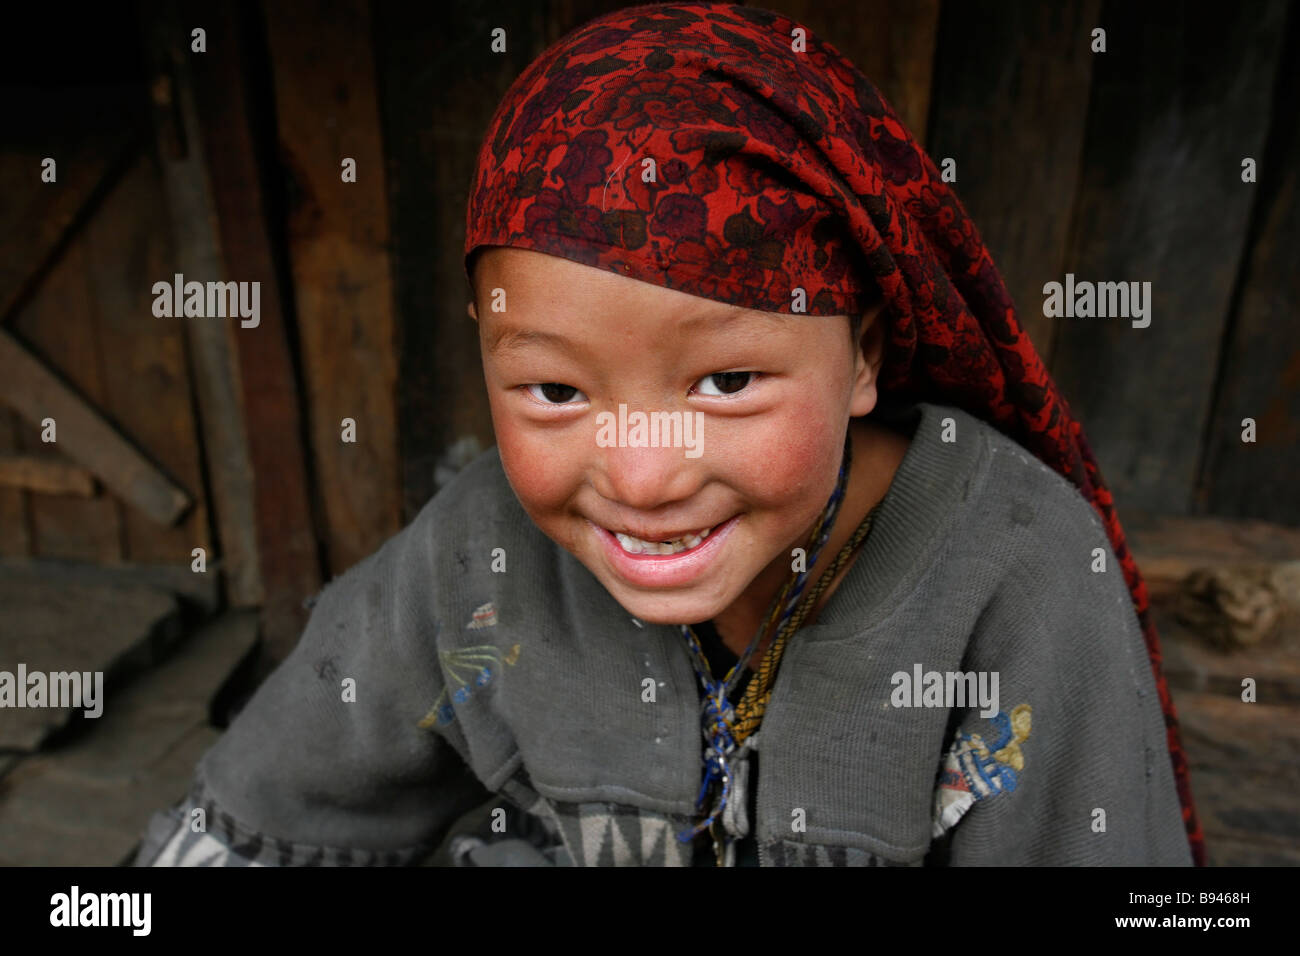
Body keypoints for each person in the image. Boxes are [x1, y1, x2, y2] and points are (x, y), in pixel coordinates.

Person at [134, 1, 1203, 867]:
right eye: (555, 391)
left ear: (865, 351)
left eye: (728, 380)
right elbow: (257, 816)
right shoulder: (480, 555)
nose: (640, 475)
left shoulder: (1024, 576)